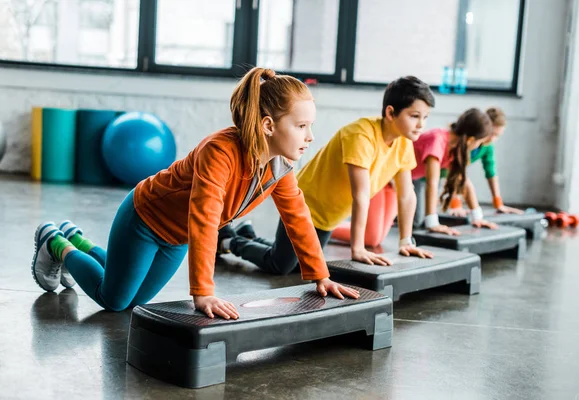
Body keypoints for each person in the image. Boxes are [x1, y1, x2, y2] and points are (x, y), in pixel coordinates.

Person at [30, 67, 359, 319]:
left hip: (176, 239)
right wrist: (203, 293)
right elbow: (205, 219)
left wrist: (321, 275)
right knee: (115, 301)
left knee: (136, 300)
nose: (310, 136)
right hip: (144, 220)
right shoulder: (220, 152)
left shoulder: (279, 166)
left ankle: (80, 240)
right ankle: (56, 244)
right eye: (302, 126)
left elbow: (298, 217)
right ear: (269, 126)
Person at [220, 76, 436, 271]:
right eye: (415, 116)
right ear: (390, 112)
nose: (421, 125)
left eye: (425, 117)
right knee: (282, 265)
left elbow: (407, 195)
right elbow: (360, 194)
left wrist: (406, 241)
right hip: (307, 204)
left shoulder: (403, 143)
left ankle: (247, 235)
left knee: (298, 262)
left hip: (330, 216)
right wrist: (358, 248)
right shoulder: (361, 135)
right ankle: (228, 241)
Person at [412, 108, 498, 235]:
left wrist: (477, 217)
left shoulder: (454, 149)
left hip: (399, 181)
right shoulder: (438, 139)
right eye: (479, 142)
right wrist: (432, 223)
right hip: (386, 178)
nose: (479, 146)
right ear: (470, 140)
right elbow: (432, 182)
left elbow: (464, 181)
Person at [449, 107, 524, 216]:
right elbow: (457, 172)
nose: (492, 139)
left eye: (497, 136)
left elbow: (491, 172)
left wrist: (498, 203)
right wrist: (456, 204)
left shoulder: (487, 146)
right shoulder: (466, 141)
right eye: (492, 134)